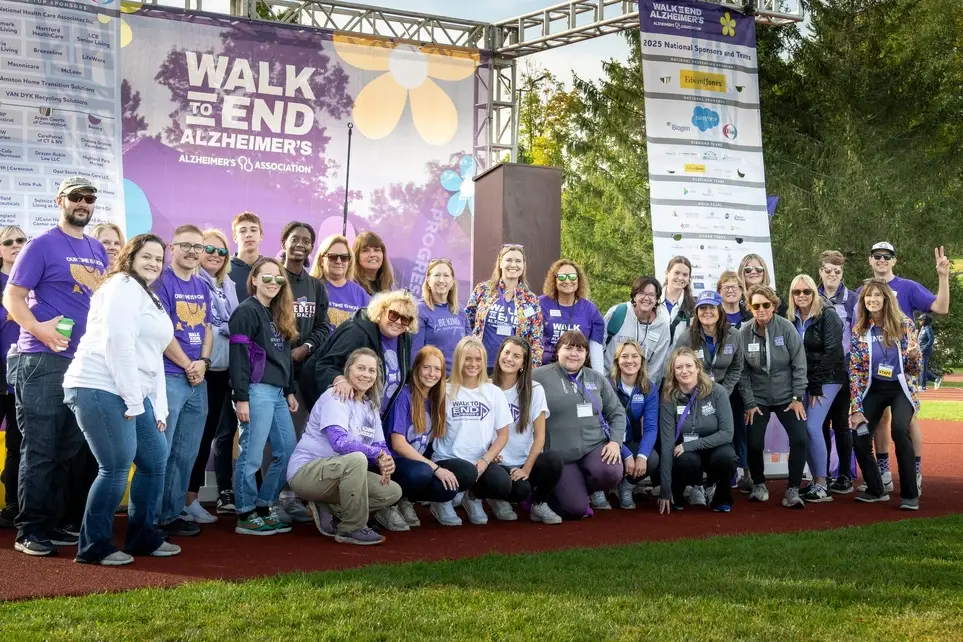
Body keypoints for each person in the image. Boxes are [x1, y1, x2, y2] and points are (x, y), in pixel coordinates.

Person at [4, 176, 108, 556]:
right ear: (60, 201)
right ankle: (30, 529)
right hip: (42, 360)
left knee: (69, 448)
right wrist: (38, 329)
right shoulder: (41, 245)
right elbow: (12, 297)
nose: (83, 203)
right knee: (41, 448)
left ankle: (53, 523)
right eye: (76, 197)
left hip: (83, 363)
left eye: (89, 198)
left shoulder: (98, 249)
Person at [62, 234, 180, 564]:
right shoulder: (121, 286)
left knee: (155, 458)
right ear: (131, 256)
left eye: (159, 258)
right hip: (98, 386)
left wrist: (158, 406)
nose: (154, 263)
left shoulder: (148, 296)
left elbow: (153, 354)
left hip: (130, 394)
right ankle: (94, 546)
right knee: (115, 466)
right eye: (147, 256)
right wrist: (132, 401)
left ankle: (142, 536)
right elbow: (118, 343)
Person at [288, 348, 402, 545]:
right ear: (348, 370)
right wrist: (378, 454)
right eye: (361, 368)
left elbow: (379, 443)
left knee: (391, 491)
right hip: (307, 472)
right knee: (357, 458)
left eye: (372, 370)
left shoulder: (370, 405)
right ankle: (351, 529)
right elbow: (339, 443)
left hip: (339, 474)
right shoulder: (336, 396)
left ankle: (330, 508)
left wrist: (387, 460)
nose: (366, 374)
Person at [864, 242, 950, 493]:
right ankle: (883, 473)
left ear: (894, 260)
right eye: (877, 256)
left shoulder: (908, 287)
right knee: (880, 421)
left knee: (907, 421)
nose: (881, 260)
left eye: (886, 256)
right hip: (875, 370)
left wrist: (943, 277)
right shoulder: (865, 290)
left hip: (904, 368)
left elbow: (941, 308)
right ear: (870, 260)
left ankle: (914, 472)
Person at [229, 258, 300, 535]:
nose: (273, 284)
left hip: (278, 393)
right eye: (267, 278)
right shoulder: (246, 311)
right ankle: (245, 513)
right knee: (252, 454)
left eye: (278, 279)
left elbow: (284, 357)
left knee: (287, 451)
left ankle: (264, 504)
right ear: (254, 279)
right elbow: (238, 358)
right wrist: (241, 397)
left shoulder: (279, 312)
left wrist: (290, 389)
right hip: (255, 391)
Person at [155, 225, 213, 538]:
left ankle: (173, 511)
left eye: (197, 247)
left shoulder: (203, 285)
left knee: (186, 452)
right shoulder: (161, 281)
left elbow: (207, 329)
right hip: (169, 376)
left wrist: (202, 363)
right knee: (162, 450)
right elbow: (162, 332)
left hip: (196, 379)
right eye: (185, 245)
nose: (192, 252)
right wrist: (188, 364)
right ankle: (152, 516)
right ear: (171, 247)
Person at [534, 330, 627, 519]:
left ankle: (586, 489)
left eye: (580, 349)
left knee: (612, 471)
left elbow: (617, 412)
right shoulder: (539, 376)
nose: (574, 354)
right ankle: (541, 496)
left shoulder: (596, 378)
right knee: (574, 509)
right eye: (568, 348)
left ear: (586, 354)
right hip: (561, 455)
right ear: (558, 350)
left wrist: (615, 441)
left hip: (593, 447)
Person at [848, 279, 922, 510]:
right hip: (874, 388)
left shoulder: (904, 325)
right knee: (859, 436)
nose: (873, 300)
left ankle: (910, 493)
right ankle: (876, 489)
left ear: (886, 299)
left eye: (878, 295)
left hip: (900, 387)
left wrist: (913, 357)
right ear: (864, 301)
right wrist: (856, 409)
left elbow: (914, 370)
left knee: (899, 430)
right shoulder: (860, 330)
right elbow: (856, 372)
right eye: (869, 296)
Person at [386, 346, 477, 527]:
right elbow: (397, 443)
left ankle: (408, 501)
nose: (432, 374)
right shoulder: (405, 395)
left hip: (421, 462)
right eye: (427, 367)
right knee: (423, 472)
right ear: (417, 367)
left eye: (437, 369)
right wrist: (435, 468)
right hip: (395, 463)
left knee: (463, 475)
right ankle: (390, 504)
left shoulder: (437, 398)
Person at [184, 228, 238, 524]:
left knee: (205, 438)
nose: (215, 256)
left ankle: (190, 499)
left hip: (220, 373)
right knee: (189, 438)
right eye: (209, 249)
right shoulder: (191, 282)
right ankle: (176, 500)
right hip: (194, 369)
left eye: (221, 251)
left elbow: (234, 326)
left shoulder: (227, 285)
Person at [738, 285, 809, 509]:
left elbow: (799, 365)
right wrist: (749, 402)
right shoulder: (743, 332)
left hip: (787, 397)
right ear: (750, 308)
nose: (761, 309)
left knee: (800, 438)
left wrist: (797, 397)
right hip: (757, 398)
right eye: (756, 305)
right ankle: (759, 485)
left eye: (766, 305)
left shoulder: (786, 328)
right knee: (755, 441)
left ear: (774, 306)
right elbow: (741, 372)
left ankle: (793, 489)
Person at [430, 337, 513, 525]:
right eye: (468, 358)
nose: (473, 364)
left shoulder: (493, 392)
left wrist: (486, 460)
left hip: (479, 460)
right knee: (466, 472)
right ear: (459, 359)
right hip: (448, 458)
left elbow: (503, 434)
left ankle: (473, 497)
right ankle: (442, 501)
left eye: (478, 359)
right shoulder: (444, 390)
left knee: (502, 483)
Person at [673, 289, 743, 504]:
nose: (707, 312)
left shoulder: (734, 335)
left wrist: (723, 392)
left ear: (720, 310)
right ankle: (694, 486)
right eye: (702, 308)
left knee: (725, 448)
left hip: (723, 393)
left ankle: (716, 487)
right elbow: (678, 368)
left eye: (711, 307)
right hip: (692, 396)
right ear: (696, 311)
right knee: (692, 439)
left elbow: (736, 367)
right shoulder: (687, 336)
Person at [301, 290, 416, 415]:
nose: (398, 322)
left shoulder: (404, 338)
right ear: (381, 311)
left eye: (405, 319)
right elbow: (325, 364)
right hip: (342, 410)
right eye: (393, 315)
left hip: (375, 415)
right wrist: (339, 380)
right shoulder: (357, 331)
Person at [490, 337, 564, 524]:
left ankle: (540, 505)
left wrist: (526, 469)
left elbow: (540, 437)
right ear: (499, 354)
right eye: (506, 352)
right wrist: (490, 452)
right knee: (519, 490)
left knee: (554, 460)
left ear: (523, 363)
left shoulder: (534, 390)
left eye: (516, 356)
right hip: (495, 461)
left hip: (522, 460)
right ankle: (496, 498)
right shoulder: (486, 388)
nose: (509, 358)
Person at [657, 348, 738, 514]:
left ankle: (721, 498)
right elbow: (666, 443)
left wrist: (690, 445)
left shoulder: (717, 392)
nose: (684, 371)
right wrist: (664, 489)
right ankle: (677, 494)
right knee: (683, 460)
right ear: (673, 371)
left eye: (688, 366)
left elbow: (727, 433)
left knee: (726, 457)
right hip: (686, 453)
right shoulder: (668, 397)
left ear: (698, 368)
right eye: (679, 367)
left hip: (714, 447)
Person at [787, 274, 844, 503]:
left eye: (806, 291)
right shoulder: (791, 318)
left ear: (814, 292)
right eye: (797, 292)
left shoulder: (827, 315)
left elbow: (833, 352)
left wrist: (818, 384)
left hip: (828, 378)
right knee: (803, 429)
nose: (802, 296)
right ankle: (814, 481)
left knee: (812, 425)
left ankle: (822, 482)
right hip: (804, 380)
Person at [816, 250, 857, 493]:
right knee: (820, 424)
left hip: (842, 372)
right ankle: (822, 475)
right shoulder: (812, 295)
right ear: (820, 272)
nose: (832, 275)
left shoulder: (852, 299)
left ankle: (844, 475)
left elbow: (858, 334)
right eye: (828, 270)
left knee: (841, 424)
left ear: (842, 273)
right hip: (818, 373)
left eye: (837, 271)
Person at [465, 244, 544, 371]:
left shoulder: (531, 300)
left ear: (523, 266)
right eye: (509, 260)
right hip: (481, 365)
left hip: (512, 367)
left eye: (518, 261)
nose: (513, 264)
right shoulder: (483, 290)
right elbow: (467, 323)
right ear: (500, 263)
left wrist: (532, 371)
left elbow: (536, 339)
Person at [608, 339, 659, 510]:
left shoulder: (649, 388)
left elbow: (651, 426)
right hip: (608, 442)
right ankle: (599, 489)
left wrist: (642, 456)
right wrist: (626, 454)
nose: (630, 361)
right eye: (624, 356)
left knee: (651, 459)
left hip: (630, 440)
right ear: (617, 361)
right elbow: (602, 425)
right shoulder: (607, 385)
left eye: (634, 356)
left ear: (642, 360)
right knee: (608, 461)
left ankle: (627, 486)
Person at [0, 226, 26, 528]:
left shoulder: (33, 282)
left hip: (25, 377)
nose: (16, 245)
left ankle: (13, 505)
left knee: (20, 444)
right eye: (8, 241)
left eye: (21, 240)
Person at [603, 276, 671, 387]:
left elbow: (657, 364)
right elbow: (599, 346)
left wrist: (645, 389)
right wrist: (603, 382)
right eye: (641, 293)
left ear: (657, 299)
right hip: (608, 383)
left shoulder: (662, 325)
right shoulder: (617, 313)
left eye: (651, 295)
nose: (646, 298)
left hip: (639, 388)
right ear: (634, 296)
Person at [717, 270, 752, 490]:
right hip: (722, 383)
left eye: (735, 286)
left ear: (742, 291)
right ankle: (728, 472)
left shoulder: (750, 315)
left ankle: (748, 473)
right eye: (726, 287)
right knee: (723, 427)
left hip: (747, 383)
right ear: (719, 291)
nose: (731, 290)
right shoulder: (713, 315)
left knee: (744, 428)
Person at [539, 259, 605, 373]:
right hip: (545, 370)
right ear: (554, 280)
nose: (568, 280)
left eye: (572, 277)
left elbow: (596, 351)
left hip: (578, 371)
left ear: (579, 280)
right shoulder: (540, 304)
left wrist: (599, 380)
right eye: (562, 277)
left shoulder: (590, 310)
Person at [411, 258, 470, 375]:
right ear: (428, 280)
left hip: (459, 379)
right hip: (433, 379)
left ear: (452, 281)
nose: (441, 280)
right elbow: (415, 353)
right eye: (437, 275)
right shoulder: (420, 310)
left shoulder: (460, 311)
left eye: (446, 275)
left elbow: (469, 347)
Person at [309, 234, 370, 329]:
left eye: (344, 257)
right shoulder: (311, 288)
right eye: (332, 256)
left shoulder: (360, 293)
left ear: (349, 261)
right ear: (321, 260)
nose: (338, 261)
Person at [229, 212, 264, 303]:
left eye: (253, 230)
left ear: (261, 236)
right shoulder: (225, 268)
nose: (248, 234)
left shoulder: (270, 267)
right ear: (235, 238)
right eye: (243, 231)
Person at [662, 256, 696, 342]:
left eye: (685, 275)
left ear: (689, 279)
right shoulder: (653, 300)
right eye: (676, 273)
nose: (680, 278)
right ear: (667, 273)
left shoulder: (693, 306)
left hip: (681, 354)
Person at [349, 231, 394, 296]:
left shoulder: (391, 285)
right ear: (356, 256)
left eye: (377, 250)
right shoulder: (351, 285)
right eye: (366, 251)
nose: (372, 255)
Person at [918, 315, 941, 391]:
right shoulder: (922, 328)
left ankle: (923, 386)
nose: (920, 321)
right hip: (920, 350)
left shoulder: (928, 328)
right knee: (921, 368)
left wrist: (923, 349)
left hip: (925, 351)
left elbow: (931, 340)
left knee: (922, 368)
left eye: (921, 320)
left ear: (925, 320)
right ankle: (936, 379)